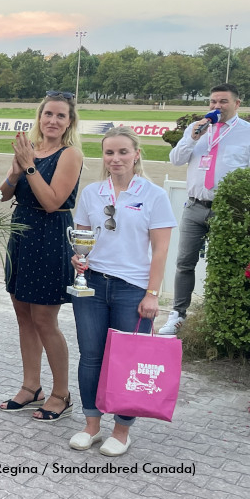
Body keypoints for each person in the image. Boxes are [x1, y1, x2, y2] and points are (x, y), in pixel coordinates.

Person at [69, 126, 176, 456]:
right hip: (94, 286)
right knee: (91, 357)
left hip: (133, 290)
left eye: (123, 152)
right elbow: (82, 240)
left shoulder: (153, 195)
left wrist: (153, 295)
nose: (115, 159)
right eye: (109, 152)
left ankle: (122, 430)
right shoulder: (91, 194)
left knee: (127, 361)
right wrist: (78, 259)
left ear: (136, 154)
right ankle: (91, 425)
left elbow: (160, 251)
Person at [0, 91, 83, 422]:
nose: (52, 120)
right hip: (22, 233)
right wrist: (18, 170)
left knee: (45, 320)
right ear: (40, 116)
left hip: (50, 237)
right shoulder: (29, 150)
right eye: (48, 114)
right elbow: (4, 194)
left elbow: (52, 202)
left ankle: (61, 393)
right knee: (23, 314)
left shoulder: (70, 154)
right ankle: (31, 386)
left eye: (60, 116)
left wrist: (30, 166)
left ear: (69, 122)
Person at [162, 83, 250, 334]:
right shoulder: (196, 128)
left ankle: (220, 314)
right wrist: (192, 138)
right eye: (212, 101)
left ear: (237, 104)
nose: (216, 106)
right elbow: (176, 160)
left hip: (229, 210)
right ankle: (178, 314)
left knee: (226, 264)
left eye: (223, 101)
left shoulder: (246, 132)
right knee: (184, 262)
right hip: (195, 207)